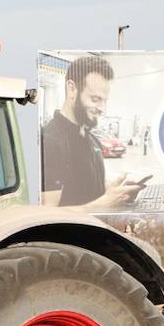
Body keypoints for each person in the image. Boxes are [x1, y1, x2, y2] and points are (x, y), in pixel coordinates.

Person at [40, 55, 145, 211]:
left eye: (105, 101)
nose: (102, 108)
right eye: (95, 99)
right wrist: (105, 202)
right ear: (72, 89)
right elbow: (47, 214)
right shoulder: (49, 142)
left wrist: (115, 193)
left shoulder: (93, 140)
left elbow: (90, 194)